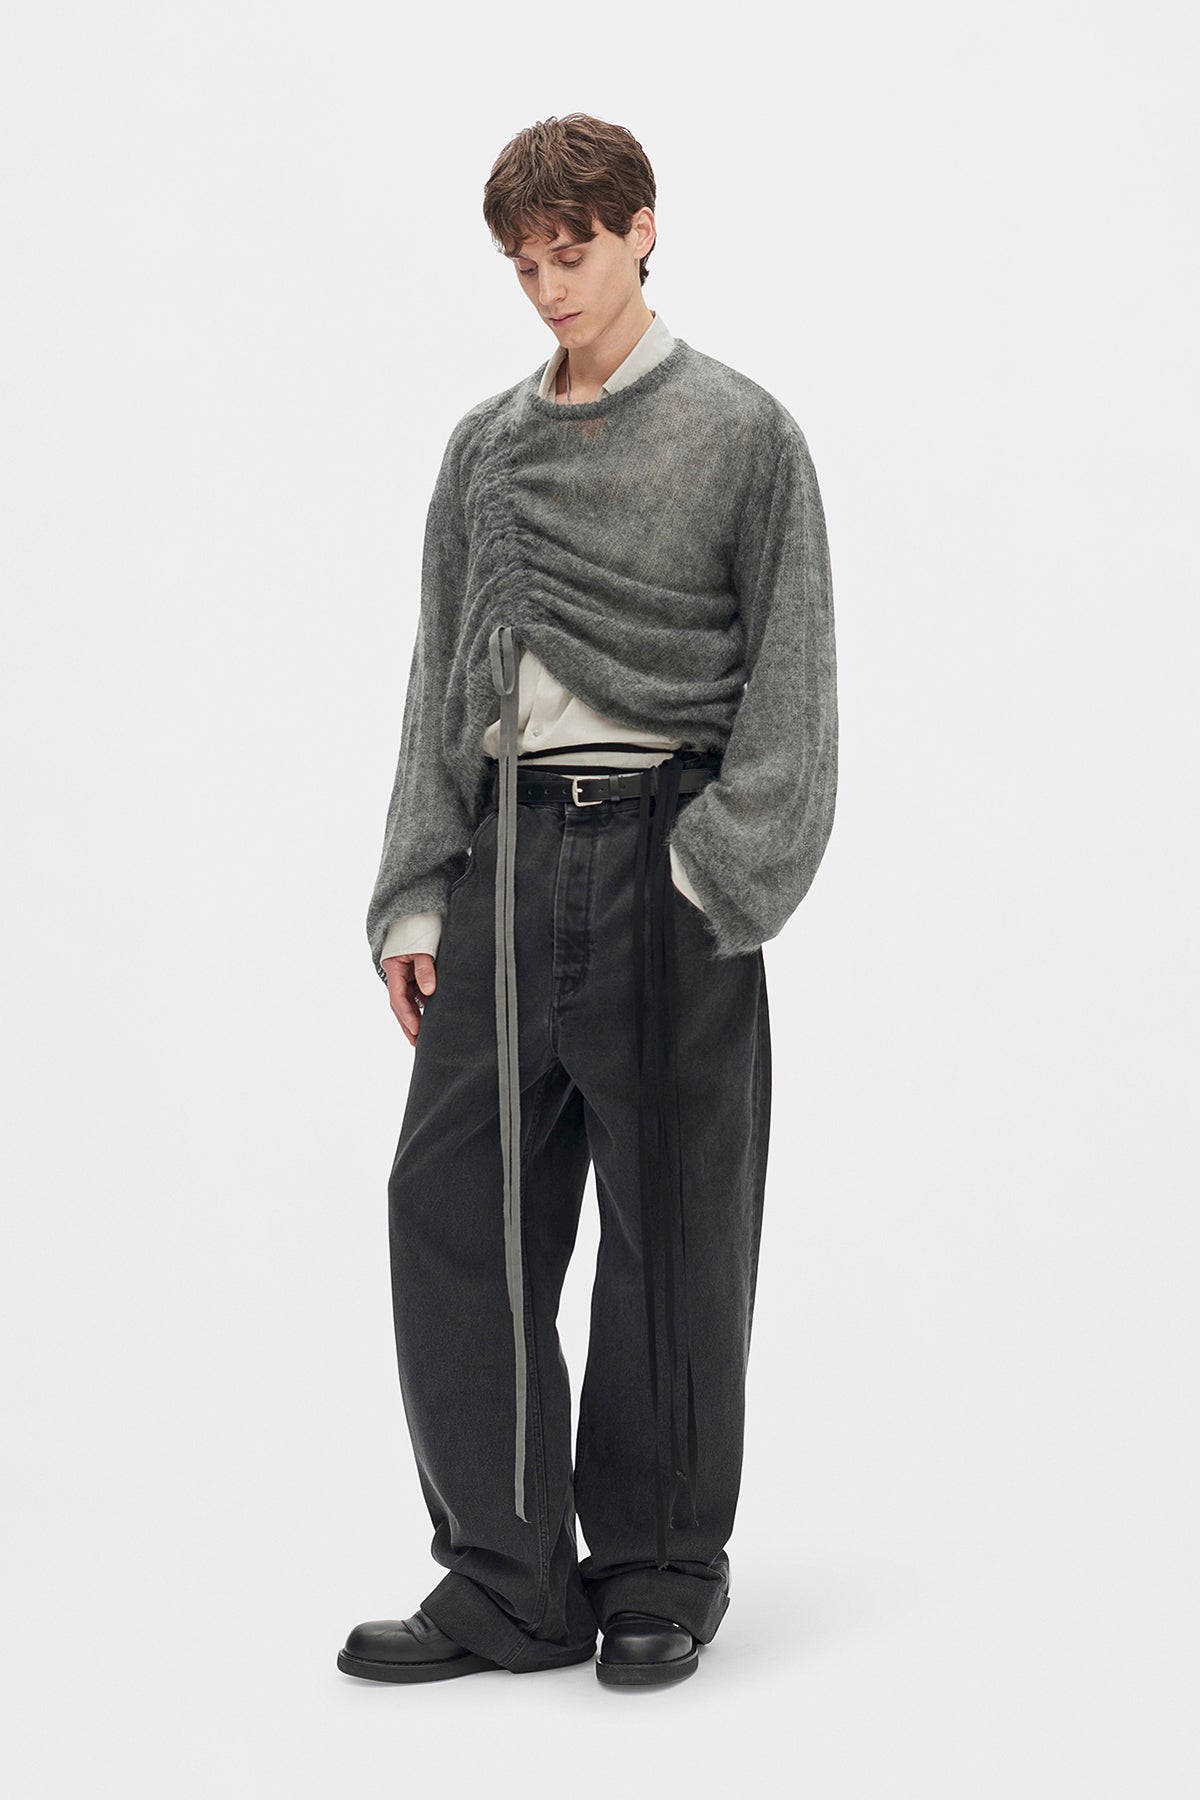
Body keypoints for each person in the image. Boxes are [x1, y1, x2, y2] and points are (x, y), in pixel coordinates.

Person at [338, 112, 838, 1689]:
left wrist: (713, 870)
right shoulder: (485, 450)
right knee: (450, 1209)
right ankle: (506, 1582)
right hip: (507, 855)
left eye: (575, 251)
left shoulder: (742, 434)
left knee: (673, 1227)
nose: (551, 286)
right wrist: (418, 891)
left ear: (640, 230)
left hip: (665, 854)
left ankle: (659, 1573)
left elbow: (795, 686)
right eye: (525, 264)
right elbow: (442, 671)